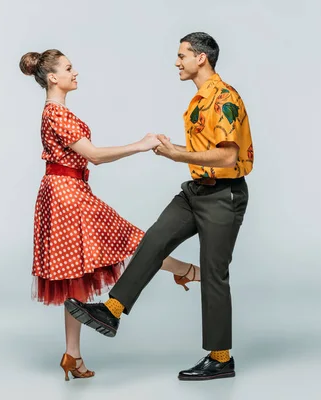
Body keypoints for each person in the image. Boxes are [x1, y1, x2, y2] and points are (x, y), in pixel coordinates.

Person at [64, 32, 254, 381]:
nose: (177, 61)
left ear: (201, 58)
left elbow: (228, 156)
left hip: (224, 196)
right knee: (153, 240)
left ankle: (220, 357)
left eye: (182, 55)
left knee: (214, 273)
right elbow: (208, 151)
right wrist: (175, 148)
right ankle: (112, 310)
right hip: (196, 190)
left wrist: (176, 153)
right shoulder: (199, 99)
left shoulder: (225, 97)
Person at [19, 49, 201, 381]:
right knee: (134, 242)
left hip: (62, 192)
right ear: (53, 78)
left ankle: (72, 355)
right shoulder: (56, 114)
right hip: (67, 195)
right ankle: (187, 271)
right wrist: (141, 144)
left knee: (76, 270)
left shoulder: (54, 112)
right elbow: (95, 157)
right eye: (69, 69)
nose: (76, 73)